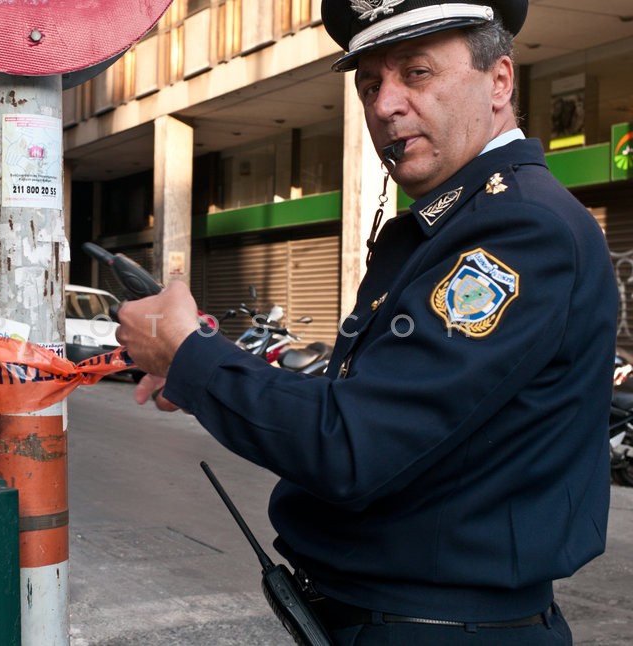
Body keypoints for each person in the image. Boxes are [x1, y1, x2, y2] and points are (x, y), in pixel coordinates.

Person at [114, 1, 617, 643]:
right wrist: (201, 366)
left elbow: (353, 444)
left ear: (499, 81)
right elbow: (372, 404)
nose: (385, 105)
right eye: (370, 84)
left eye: (417, 72)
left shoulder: (518, 230)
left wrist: (190, 356)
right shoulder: (456, 221)